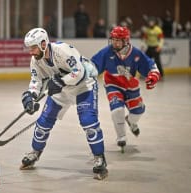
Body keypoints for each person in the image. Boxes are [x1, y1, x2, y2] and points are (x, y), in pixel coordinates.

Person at [20, 27, 108, 180]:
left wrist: (61, 81)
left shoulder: (63, 50)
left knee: (88, 122)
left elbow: (79, 72)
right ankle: (35, 152)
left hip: (83, 86)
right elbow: (36, 80)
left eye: (33, 47)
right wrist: (31, 96)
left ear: (43, 44)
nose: (31, 52)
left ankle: (99, 157)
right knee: (43, 122)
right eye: (29, 48)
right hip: (61, 88)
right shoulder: (35, 60)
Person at [91, 26, 160, 152]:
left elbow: (150, 65)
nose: (114, 42)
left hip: (131, 86)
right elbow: (93, 65)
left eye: (118, 40)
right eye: (113, 39)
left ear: (126, 41)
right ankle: (121, 136)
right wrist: (85, 72)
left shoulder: (136, 54)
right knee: (117, 110)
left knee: (139, 111)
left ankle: (131, 121)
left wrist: (153, 74)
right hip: (113, 84)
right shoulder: (107, 52)